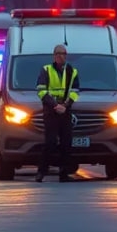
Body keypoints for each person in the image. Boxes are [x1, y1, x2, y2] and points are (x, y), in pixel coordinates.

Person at [35, 44, 80, 183]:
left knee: (66, 143)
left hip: (65, 111)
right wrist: (55, 105)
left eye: (63, 53)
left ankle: (64, 173)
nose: (61, 56)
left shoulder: (72, 71)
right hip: (51, 110)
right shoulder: (46, 70)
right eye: (58, 53)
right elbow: (41, 91)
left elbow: (75, 92)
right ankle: (41, 171)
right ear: (54, 56)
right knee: (50, 142)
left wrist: (65, 105)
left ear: (66, 55)